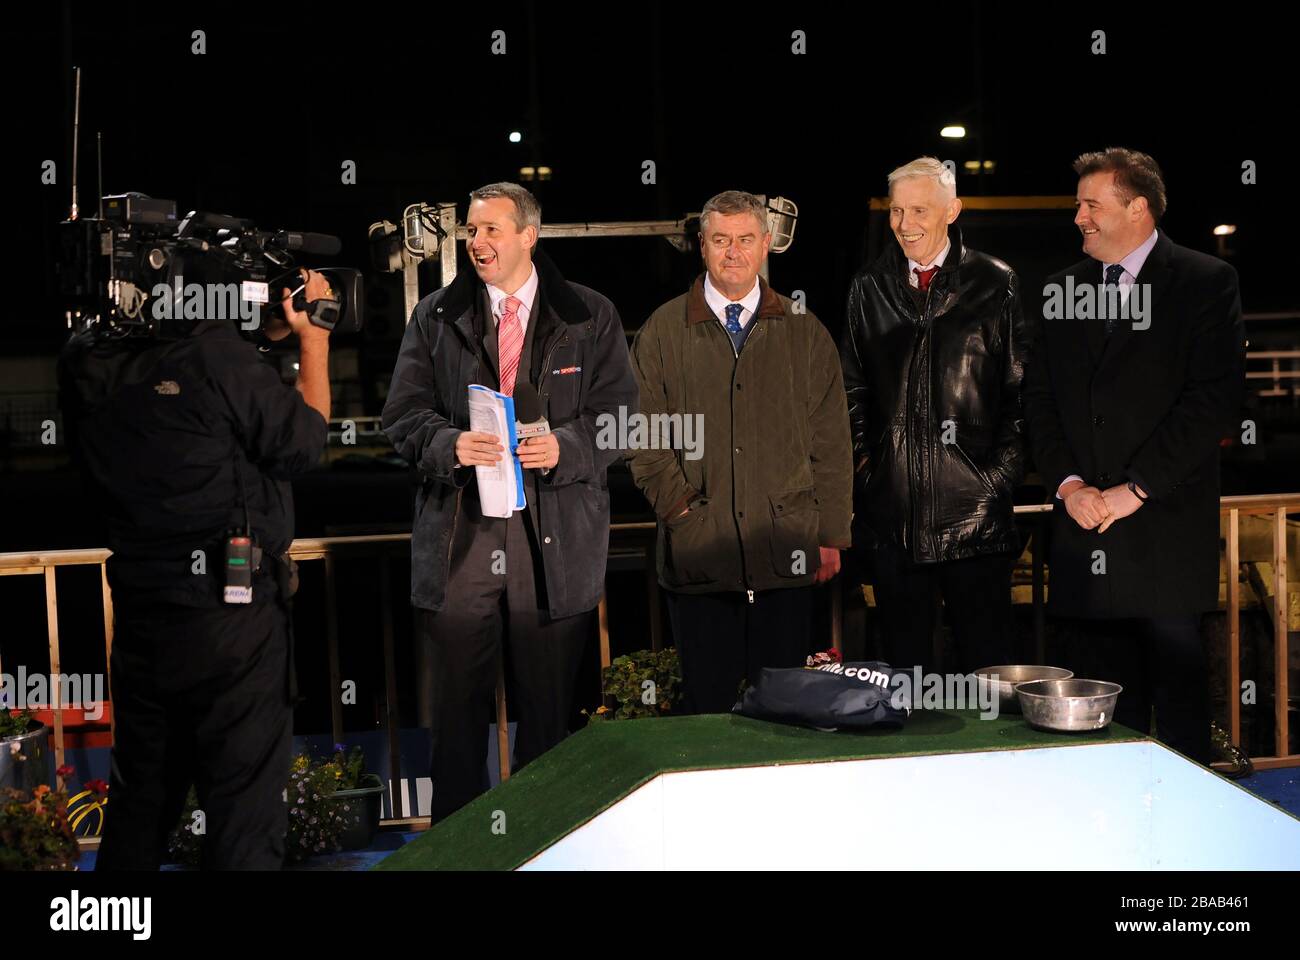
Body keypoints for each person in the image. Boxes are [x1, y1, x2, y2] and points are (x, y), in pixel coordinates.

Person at [59, 265, 333, 869]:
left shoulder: (85, 360)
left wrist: (256, 334)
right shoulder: (218, 357)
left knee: (140, 804)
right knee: (243, 815)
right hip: (229, 618)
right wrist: (314, 336)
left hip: (142, 611)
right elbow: (303, 443)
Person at [382, 182, 637, 822]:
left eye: (491, 229)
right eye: (472, 230)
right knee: (456, 715)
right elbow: (402, 415)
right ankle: (459, 846)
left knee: (548, 712)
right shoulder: (435, 315)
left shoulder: (591, 314)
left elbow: (621, 419)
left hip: (553, 537)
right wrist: (448, 443)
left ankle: (542, 840)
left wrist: (566, 447)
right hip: (462, 537)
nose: (477, 242)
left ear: (529, 235)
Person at [1023, 148, 1247, 764]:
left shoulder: (1205, 281)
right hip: (1082, 535)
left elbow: (1212, 403)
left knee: (1179, 723)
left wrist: (1136, 489)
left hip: (1165, 540)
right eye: (1078, 204)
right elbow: (1038, 399)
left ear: (1138, 208)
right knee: (1099, 726)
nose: (1079, 217)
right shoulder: (1060, 288)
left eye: (1092, 204)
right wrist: (1068, 485)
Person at [627, 189, 852, 714]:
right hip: (699, 557)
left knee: (785, 716)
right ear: (702, 245)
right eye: (721, 240)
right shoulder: (662, 330)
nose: (734, 252)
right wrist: (683, 513)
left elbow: (831, 440)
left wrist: (830, 534)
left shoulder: (803, 328)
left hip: (786, 552)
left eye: (746, 239)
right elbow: (641, 437)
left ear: (766, 244)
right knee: (707, 716)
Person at [841, 157, 1026, 677]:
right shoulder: (867, 287)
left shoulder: (996, 283)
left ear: (952, 210)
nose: (904, 224)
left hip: (977, 522)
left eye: (919, 210)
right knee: (906, 687)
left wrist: (993, 482)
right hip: (893, 523)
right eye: (897, 210)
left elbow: (1021, 396)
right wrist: (871, 475)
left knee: (989, 686)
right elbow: (851, 392)